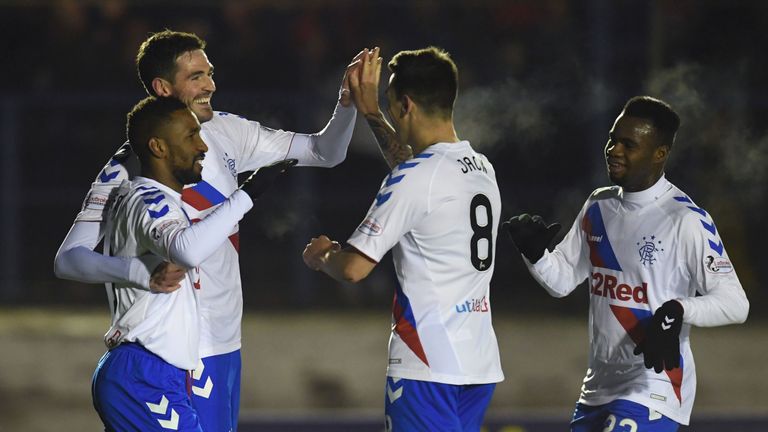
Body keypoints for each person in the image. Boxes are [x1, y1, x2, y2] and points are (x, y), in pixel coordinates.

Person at [54, 30, 363, 431]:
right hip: (179, 347)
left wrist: (347, 105)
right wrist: (138, 273)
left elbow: (326, 152)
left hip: (226, 339)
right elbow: (69, 259)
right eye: (196, 76)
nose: (211, 85)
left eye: (210, 73)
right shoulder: (128, 168)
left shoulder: (225, 132)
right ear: (163, 88)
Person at [503, 96, 750, 431]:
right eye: (612, 139)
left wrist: (678, 310)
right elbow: (561, 281)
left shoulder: (686, 219)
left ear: (659, 153)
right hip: (597, 389)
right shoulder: (598, 205)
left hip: (654, 388)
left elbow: (736, 304)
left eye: (628, 144)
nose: (614, 150)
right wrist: (536, 255)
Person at [302, 46, 504, 432]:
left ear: (405, 105)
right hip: (478, 363)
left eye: (392, 104)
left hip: (426, 363)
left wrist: (322, 256)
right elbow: (417, 175)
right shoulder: (480, 167)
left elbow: (354, 269)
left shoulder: (413, 180)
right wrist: (372, 112)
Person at [93, 96, 294, 431]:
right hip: (143, 374)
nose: (202, 146)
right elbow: (186, 249)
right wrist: (247, 193)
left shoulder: (166, 202)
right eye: (191, 136)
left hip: (161, 373)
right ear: (158, 147)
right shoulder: (149, 200)